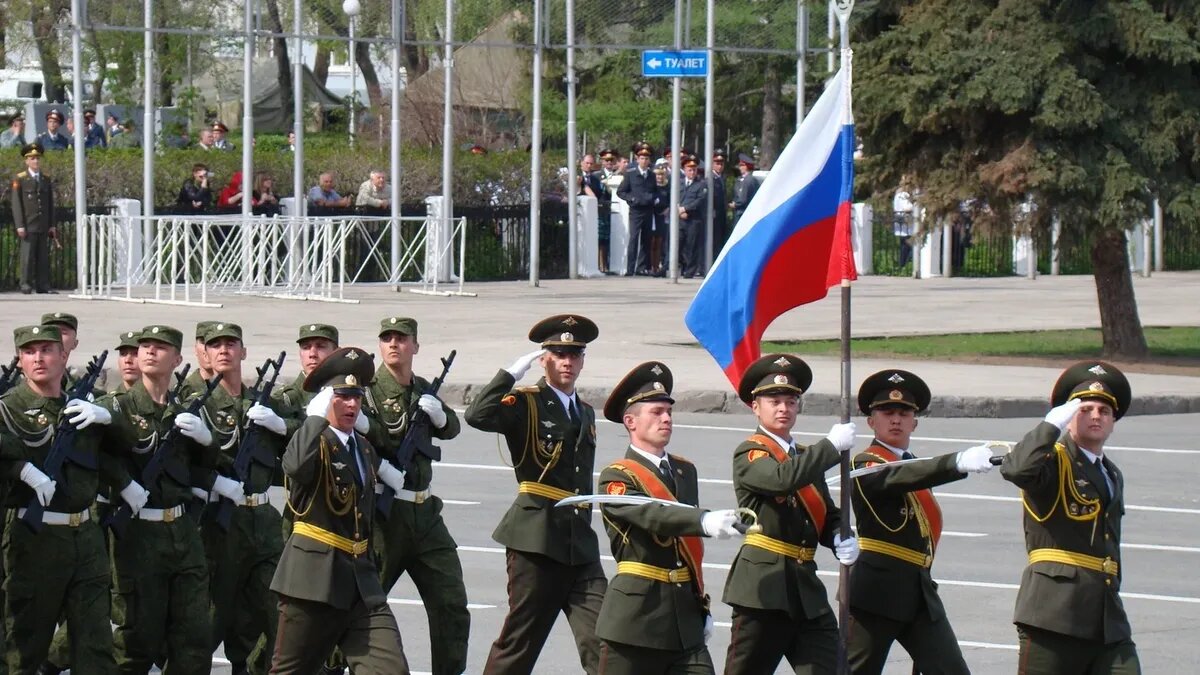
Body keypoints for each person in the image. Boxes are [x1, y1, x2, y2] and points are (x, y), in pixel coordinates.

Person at [464, 315, 607, 675]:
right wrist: (508, 375)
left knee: (605, 640)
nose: (568, 362)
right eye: (559, 353)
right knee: (520, 641)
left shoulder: (586, 412)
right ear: (543, 358)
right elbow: (477, 415)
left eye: (575, 355)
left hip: (580, 545)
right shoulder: (525, 403)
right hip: (536, 540)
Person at [595, 361, 744, 674]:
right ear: (630, 421)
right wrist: (703, 520)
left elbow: (685, 546)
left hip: (683, 619)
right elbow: (653, 516)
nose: (666, 419)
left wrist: (699, 605)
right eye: (656, 412)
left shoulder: (684, 470)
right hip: (636, 621)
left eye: (669, 412)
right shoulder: (616, 477)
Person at [269, 347, 411, 674]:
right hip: (313, 583)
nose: (351, 404)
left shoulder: (362, 447)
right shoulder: (311, 442)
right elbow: (293, 466)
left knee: (390, 669)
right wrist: (314, 419)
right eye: (342, 396)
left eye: (357, 396)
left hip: (361, 585)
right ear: (325, 399)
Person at [847, 369, 995, 674]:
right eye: (887, 412)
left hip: (919, 592)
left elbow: (913, 473)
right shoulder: (866, 463)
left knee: (950, 669)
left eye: (904, 412)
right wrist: (956, 462)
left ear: (915, 421)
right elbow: (897, 477)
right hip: (878, 592)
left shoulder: (913, 464)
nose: (896, 419)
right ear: (871, 421)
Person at [0, 325, 128, 674]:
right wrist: (21, 468)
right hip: (35, 537)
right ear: (20, 360)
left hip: (85, 535)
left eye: (46, 350)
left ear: (63, 355)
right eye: (30, 352)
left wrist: (109, 418)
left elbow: (122, 450)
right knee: (25, 642)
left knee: (95, 642)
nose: (38, 358)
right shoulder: (8, 407)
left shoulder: (81, 406)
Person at [998, 361, 1140, 674]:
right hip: (1054, 614)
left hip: (1106, 618)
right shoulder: (1052, 461)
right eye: (1085, 409)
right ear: (1069, 416)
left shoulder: (1111, 473)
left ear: (1113, 421)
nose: (1095, 416)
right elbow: (1016, 469)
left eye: (1104, 411)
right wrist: (1049, 428)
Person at [722, 354, 860, 674]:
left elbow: (826, 512)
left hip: (805, 591)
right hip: (763, 590)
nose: (783, 408)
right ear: (755, 407)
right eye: (774, 401)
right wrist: (830, 447)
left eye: (790, 401)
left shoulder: (806, 457)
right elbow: (781, 479)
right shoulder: (750, 452)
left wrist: (841, 534)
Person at [102, 324, 216, 675]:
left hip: (182, 533)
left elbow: (200, 470)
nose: (150, 352)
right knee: (138, 639)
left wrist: (206, 441)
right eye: (144, 346)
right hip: (139, 535)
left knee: (194, 637)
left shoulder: (185, 412)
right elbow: (94, 454)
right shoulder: (117, 407)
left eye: (160, 347)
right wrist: (124, 484)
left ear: (178, 359)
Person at [362, 317, 468, 675]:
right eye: (387, 338)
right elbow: (354, 442)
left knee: (451, 603)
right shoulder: (366, 392)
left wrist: (439, 416)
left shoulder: (424, 388)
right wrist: (381, 467)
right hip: (384, 517)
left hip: (425, 515)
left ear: (415, 347)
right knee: (363, 606)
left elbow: (452, 428)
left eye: (402, 339)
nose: (394, 344)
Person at [195, 322, 292, 675]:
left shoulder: (261, 403)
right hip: (220, 524)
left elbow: (303, 437)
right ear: (204, 353)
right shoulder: (199, 406)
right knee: (209, 621)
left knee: (278, 617)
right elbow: (177, 461)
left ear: (243, 352)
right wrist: (214, 481)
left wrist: (280, 425)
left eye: (231, 344)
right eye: (215, 344)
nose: (224, 350)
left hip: (263, 522)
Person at [10, 142, 57, 295]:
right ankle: (25, 284)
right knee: (27, 257)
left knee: (43, 257)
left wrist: (52, 224)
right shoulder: (21, 179)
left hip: (42, 223)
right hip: (28, 223)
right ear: (27, 161)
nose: (36, 161)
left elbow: (50, 203)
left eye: (37, 158)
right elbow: (16, 204)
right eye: (32, 158)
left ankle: (43, 285)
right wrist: (20, 225)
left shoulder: (45, 178)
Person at [617, 142, 658, 276]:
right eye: (642, 158)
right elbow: (621, 192)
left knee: (646, 240)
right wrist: (632, 199)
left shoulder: (652, 175)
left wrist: (654, 198)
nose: (644, 161)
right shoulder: (631, 174)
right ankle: (630, 269)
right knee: (634, 239)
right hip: (636, 211)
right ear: (637, 159)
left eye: (646, 158)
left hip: (648, 210)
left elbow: (656, 191)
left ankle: (641, 268)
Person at [678, 156, 708, 279]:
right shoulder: (679, 183)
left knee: (692, 246)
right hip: (680, 218)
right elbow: (673, 197)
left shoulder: (701, 184)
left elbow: (700, 200)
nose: (692, 172)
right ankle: (681, 266)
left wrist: (685, 209)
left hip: (693, 219)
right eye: (689, 170)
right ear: (684, 170)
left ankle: (690, 271)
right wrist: (678, 210)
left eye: (694, 170)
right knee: (678, 244)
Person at [597, 149, 621, 274]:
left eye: (612, 160)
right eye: (607, 160)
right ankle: (601, 265)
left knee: (615, 239)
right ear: (602, 161)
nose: (609, 163)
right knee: (602, 240)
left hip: (618, 211)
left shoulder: (620, 175)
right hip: (603, 210)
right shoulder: (597, 175)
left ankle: (613, 265)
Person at [730, 154, 759, 226]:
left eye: (741, 165)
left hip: (742, 213)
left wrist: (735, 204)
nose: (740, 167)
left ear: (746, 166)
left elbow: (743, 198)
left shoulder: (747, 180)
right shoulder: (751, 180)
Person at [893, 179, 915, 269]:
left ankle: (903, 264)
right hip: (906, 222)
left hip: (901, 222)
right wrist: (916, 205)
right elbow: (907, 207)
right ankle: (903, 264)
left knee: (904, 244)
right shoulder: (904, 194)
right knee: (907, 245)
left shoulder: (898, 194)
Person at [709, 150, 729, 251]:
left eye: (721, 164)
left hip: (722, 214)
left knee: (721, 238)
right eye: (717, 164)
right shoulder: (709, 178)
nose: (720, 166)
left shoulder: (722, 178)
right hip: (713, 214)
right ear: (712, 164)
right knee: (714, 240)